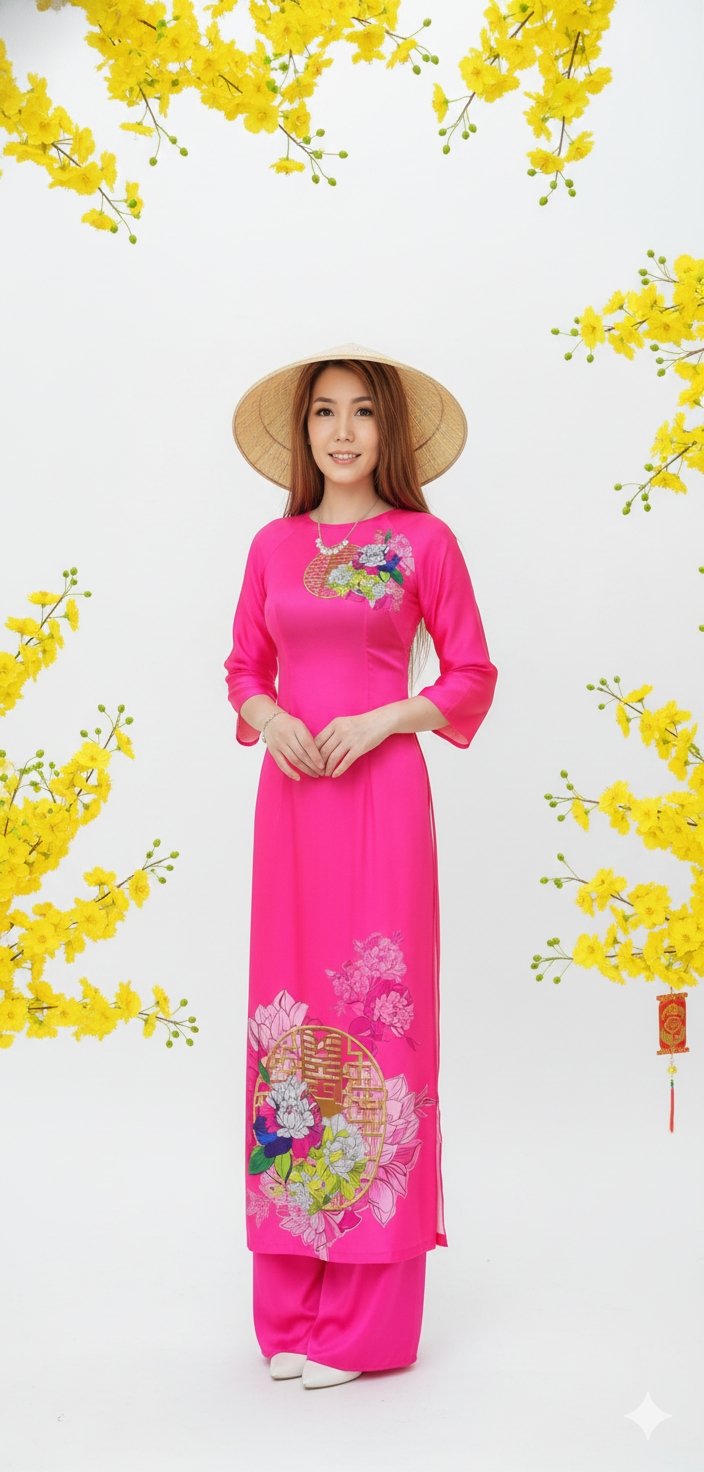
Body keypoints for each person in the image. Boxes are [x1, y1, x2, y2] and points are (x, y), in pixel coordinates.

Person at [224, 340, 499, 1389]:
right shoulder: (270, 545)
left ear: (390, 432)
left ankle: (365, 1320)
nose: (342, 432)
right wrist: (269, 717)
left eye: (363, 412)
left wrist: (385, 717)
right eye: (324, 412)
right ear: (303, 433)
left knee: (377, 1026)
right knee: (289, 1031)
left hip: (382, 804)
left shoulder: (424, 542)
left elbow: (470, 671)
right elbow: (243, 666)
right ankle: (293, 1307)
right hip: (291, 804)